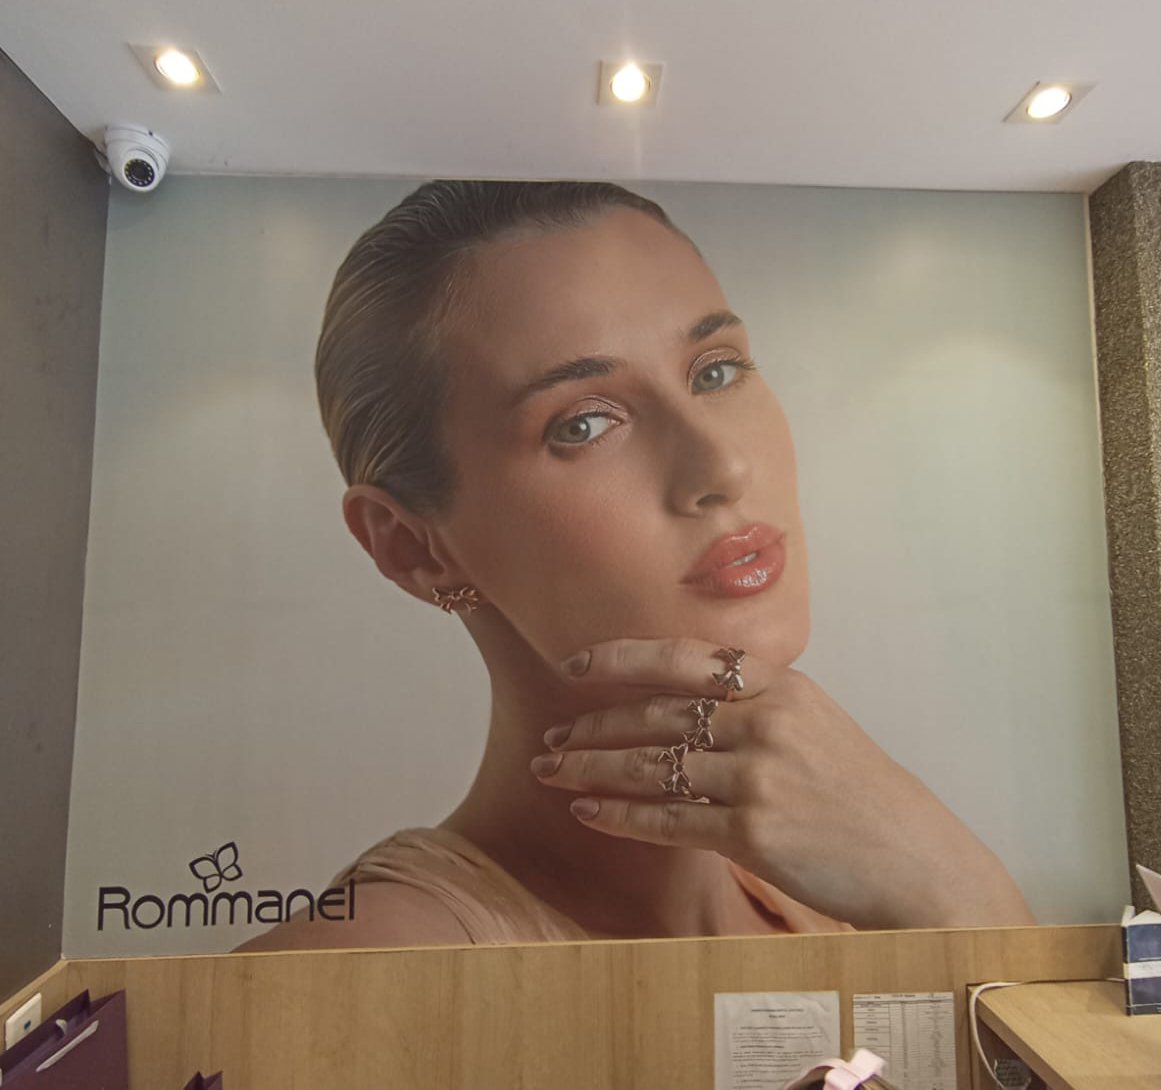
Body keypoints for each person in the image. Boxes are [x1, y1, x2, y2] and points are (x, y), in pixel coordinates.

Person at [239, 181, 1033, 952]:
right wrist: (965, 898)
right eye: (583, 424)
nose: (722, 467)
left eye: (715, 371)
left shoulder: (857, 897)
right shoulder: (370, 969)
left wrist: (945, 881)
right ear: (412, 547)